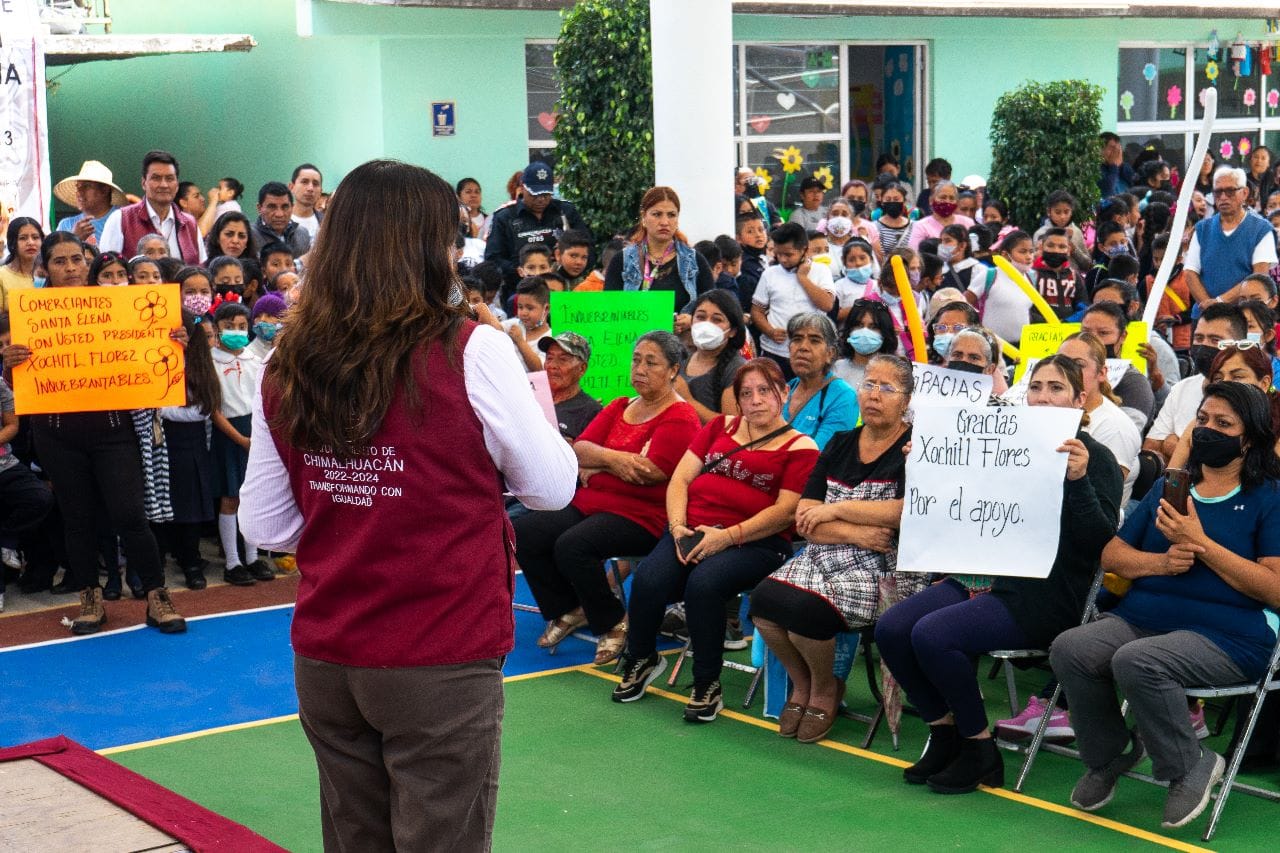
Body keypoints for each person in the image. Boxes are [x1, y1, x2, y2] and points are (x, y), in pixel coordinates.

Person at [239, 159, 576, 850]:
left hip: (330, 650)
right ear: (427, 247)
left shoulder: (288, 358)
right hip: (438, 650)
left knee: (355, 836)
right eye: (450, 237)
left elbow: (265, 525)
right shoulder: (472, 348)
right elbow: (551, 488)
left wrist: (349, 488)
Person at [877, 355, 1122, 794]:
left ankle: (979, 749)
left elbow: (1099, 543)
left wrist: (1079, 479)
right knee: (893, 628)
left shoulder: (1097, 458)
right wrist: (927, 462)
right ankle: (946, 731)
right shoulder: (1001, 439)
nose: (1044, 397)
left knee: (933, 635)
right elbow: (952, 503)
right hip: (980, 575)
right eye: (1036, 387)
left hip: (1044, 593)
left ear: (1080, 399)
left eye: (1057, 388)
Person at [1050, 382, 1280, 829]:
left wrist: (1202, 545)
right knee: (1070, 648)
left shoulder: (1269, 498)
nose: (1208, 430)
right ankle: (1110, 753)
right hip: (1145, 618)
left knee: (1140, 660)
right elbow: (1112, 556)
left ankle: (1188, 764)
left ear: (1248, 438)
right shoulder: (1171, 488)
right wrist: (1161, 562)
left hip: (1232, 635)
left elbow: (1274, 589)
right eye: (1204, 420)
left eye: (1224, 424)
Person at [2, 232, 188, 634]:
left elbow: (153, 353)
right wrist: (9, 362)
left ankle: (157, 596)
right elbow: (15, 388)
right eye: (59, 261)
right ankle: (90, 598)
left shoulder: (120, 308)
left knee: (130, 515)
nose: (70, 267)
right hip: (56, 436)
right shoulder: (31, 315)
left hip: (113, 432)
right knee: (78, 518)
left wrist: (173, 341)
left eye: (76, 259)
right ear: (43, 268)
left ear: (87, 262)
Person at [614, 358, 819, 720]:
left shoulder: (802, 448)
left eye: (764, 391)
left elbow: (786, 512)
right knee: (648, 579)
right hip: (690, 530)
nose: (755, 400)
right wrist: (677, 529)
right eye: (746, 393)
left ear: (783, 393)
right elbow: (680, 481)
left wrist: (727, 537)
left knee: (704, 585)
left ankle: (707, 683)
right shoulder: (719, 427)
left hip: (756, 543)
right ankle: (642, 658)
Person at [748, 353, 925, 742]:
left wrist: (837, 509)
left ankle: (826, 688)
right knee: (763, 603)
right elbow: (806, 515)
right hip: (827, 551)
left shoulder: (917, 448)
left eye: (887, 388)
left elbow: (902, 513)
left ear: (907, 400)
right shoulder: (841, 442)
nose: (874, 395)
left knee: (805, 611)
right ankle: (804, 683)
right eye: (869, 384)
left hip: (886, 569)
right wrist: (855, 531)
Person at [513, 331, 698, 665]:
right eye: (637, 359)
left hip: (642, 515)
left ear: (673, 370)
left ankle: (612, 621)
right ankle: (570, 609)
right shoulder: (619, 405)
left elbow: (651, 472)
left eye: (651, 362)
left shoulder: (680, 416)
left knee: (573, 545)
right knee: (524, 533)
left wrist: (601, 463)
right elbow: (580, 450)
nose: (639, 368)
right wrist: (617, 460)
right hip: (593, 503)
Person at [157, 309, 221, 590]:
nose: (175, 336)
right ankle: (159, 559)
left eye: (181, 331)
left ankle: (192, 561)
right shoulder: (153, 360)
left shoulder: (199, 363)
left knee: (191, 503)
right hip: (161, 439)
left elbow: (201, 409)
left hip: (191, 440)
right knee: (161, 502)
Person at [1144, 304, 1249, 464]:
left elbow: (1229, 460)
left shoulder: (1249, 395)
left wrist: (1173, 445)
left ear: (1238, 344)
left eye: (1215, 340)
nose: (1204, 346)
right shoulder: (1182, 389)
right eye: (1199, 338)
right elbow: (1150, 450)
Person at [1059, 332, 1142, 505]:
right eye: (1061, 363)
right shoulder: (1056, 414)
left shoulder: (1116, 427)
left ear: (1102, 373)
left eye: (1078, 365)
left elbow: (1105, 500)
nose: (1067, 372)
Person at [604, 186, 714, 314]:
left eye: (671, 215)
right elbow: (610, 311)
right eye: (657, 214)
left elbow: (711, 311)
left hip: (680, 334)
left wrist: (692, 320)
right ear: (644, 217)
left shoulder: (695, 261)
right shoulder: (622, 261)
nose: (664, 222)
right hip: (636, 334)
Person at [484, 161, 591, 287]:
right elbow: (493, 259)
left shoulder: (566, 211)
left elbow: (589, 249)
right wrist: (524, 270)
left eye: (546, 194)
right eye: (535, 194)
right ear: (522, 188)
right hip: (519, 288)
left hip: (564, 286)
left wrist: (564, 268)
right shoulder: (505, 217)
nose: (541, 199)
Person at [1184, 167, 1277, 312]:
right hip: (1205, 317)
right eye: (1218, 192)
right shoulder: (1202, 229)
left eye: (1230, 191)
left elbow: (1258, 278)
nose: (1223, 197)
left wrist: (1219, 302)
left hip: (1244, 317)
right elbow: (1190, 272)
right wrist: (1209, 307)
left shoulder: (1261, 230)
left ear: (1245, 193)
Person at [751, 223, 836, 380]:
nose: (783, 259)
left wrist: (803, 278)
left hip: (809, 353)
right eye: (778, 254)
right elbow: (757, 311)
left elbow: (827, 304)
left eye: (788, 255)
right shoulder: (769, 274)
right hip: (774, 351)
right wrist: (769, 331)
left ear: (804, 249)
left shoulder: (821, 271)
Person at [99, 150, 205, 265]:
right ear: (144, 183)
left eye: (169, 179)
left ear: (177, 185)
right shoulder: (121, 219)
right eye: (156, 178)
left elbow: (201, 268)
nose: (164, 185)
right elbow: (106, 268)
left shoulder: (189, 224)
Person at [781, 312, 859, 450]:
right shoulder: (786, 389)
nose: (803, 347)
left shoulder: (844, 397)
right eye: (797, 339)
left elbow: (817, 454)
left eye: (815, 340)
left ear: (830, 354)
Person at [1079, 302, 1155, 430]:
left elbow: (1126, 433)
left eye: (1103, 333)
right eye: (1085, 332)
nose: (1093, 339)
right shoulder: (1067, 372)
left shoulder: (1134, 383)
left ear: (1122, 336)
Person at [676, 289, 746, 423]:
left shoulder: (737, 369)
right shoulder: (681, 358)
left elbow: (732, 425)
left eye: (717, 320)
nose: (706, 324)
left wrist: (687, 400)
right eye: (700, 317)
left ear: (732, 331)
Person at [967, 230, 1035, 346]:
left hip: (1021, 347)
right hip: (990, 346)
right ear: (1005, 254)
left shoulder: (1030, 278)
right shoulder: (989, 275)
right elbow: (964, 303)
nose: (1029, 257)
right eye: (1022, 252)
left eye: (1031, 252)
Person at [537, 332, 603, 439]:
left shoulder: (591, 412)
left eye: (563, 359)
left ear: (582, 368)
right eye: (549, 358)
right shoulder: (533, 399)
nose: (552, 366)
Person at [53, 160, 127, 245]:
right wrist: (74, 238)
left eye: (87, 186)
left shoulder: (123, 219)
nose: (79, 191)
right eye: (78, 186)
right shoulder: (66, 225)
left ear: (104, 190)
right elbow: (55, 256)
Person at [834, 299, 898, 388]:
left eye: (873, 327)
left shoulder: (895, 374)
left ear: (885, 333)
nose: (864, 332)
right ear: (850, 329)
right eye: (859, 325)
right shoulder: (835, 369)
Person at [501, 276, 553, 371]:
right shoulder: (514, 324)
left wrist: (520, 341)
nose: (523, 313)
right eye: (520, 307)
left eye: (530, 308)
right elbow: (495, 327)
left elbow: (540, 369)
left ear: (546, 309)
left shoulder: (551, 338)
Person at [251, 182, 312, 258]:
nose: (279, 214)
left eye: (285, 207)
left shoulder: (303, 234)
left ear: (292, 207)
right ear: (259, 208)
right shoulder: (249, 236)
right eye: (272, 207)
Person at [908, 181, 974, 251]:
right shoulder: (920, 226)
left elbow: (974, 251)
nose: (947, 201)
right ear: (931, 200)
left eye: (951, 198)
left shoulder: (968, 223)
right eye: (943, 197)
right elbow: (914, 254)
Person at [0, 218, 43, 309]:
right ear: (12, 243)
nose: (31, 242)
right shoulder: (2, 276)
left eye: (35, 237)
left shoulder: (49, 275)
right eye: (23, 238)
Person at [875, 182, 915, 256]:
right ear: (882, 202)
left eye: (896, 199)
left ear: (904, 201)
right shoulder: (875, 227)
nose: (892, 202)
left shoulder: (914, 226)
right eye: (888, 199)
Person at [246, 293, 286, 362]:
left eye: (269, 315)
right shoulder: (249, 353)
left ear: (282, 321)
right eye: (258, 316)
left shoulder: (290, 349)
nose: (262, 319)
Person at [289, 164, 324, 241]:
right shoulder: (277, 220)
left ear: (320, 192)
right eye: (304, 182)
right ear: (291, 187)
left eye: (315, 184)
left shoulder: (327, 223)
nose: (310, 188)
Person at [1099, 132, 1139, 197]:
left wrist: (1120, 165)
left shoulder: (1123, 167)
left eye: (1118, 149)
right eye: (1111, 148)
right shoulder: (1096, 169)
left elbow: (1135, 182)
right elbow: (1108, 190)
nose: (1115, 152)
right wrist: (1114, 166)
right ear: (1100, 150)